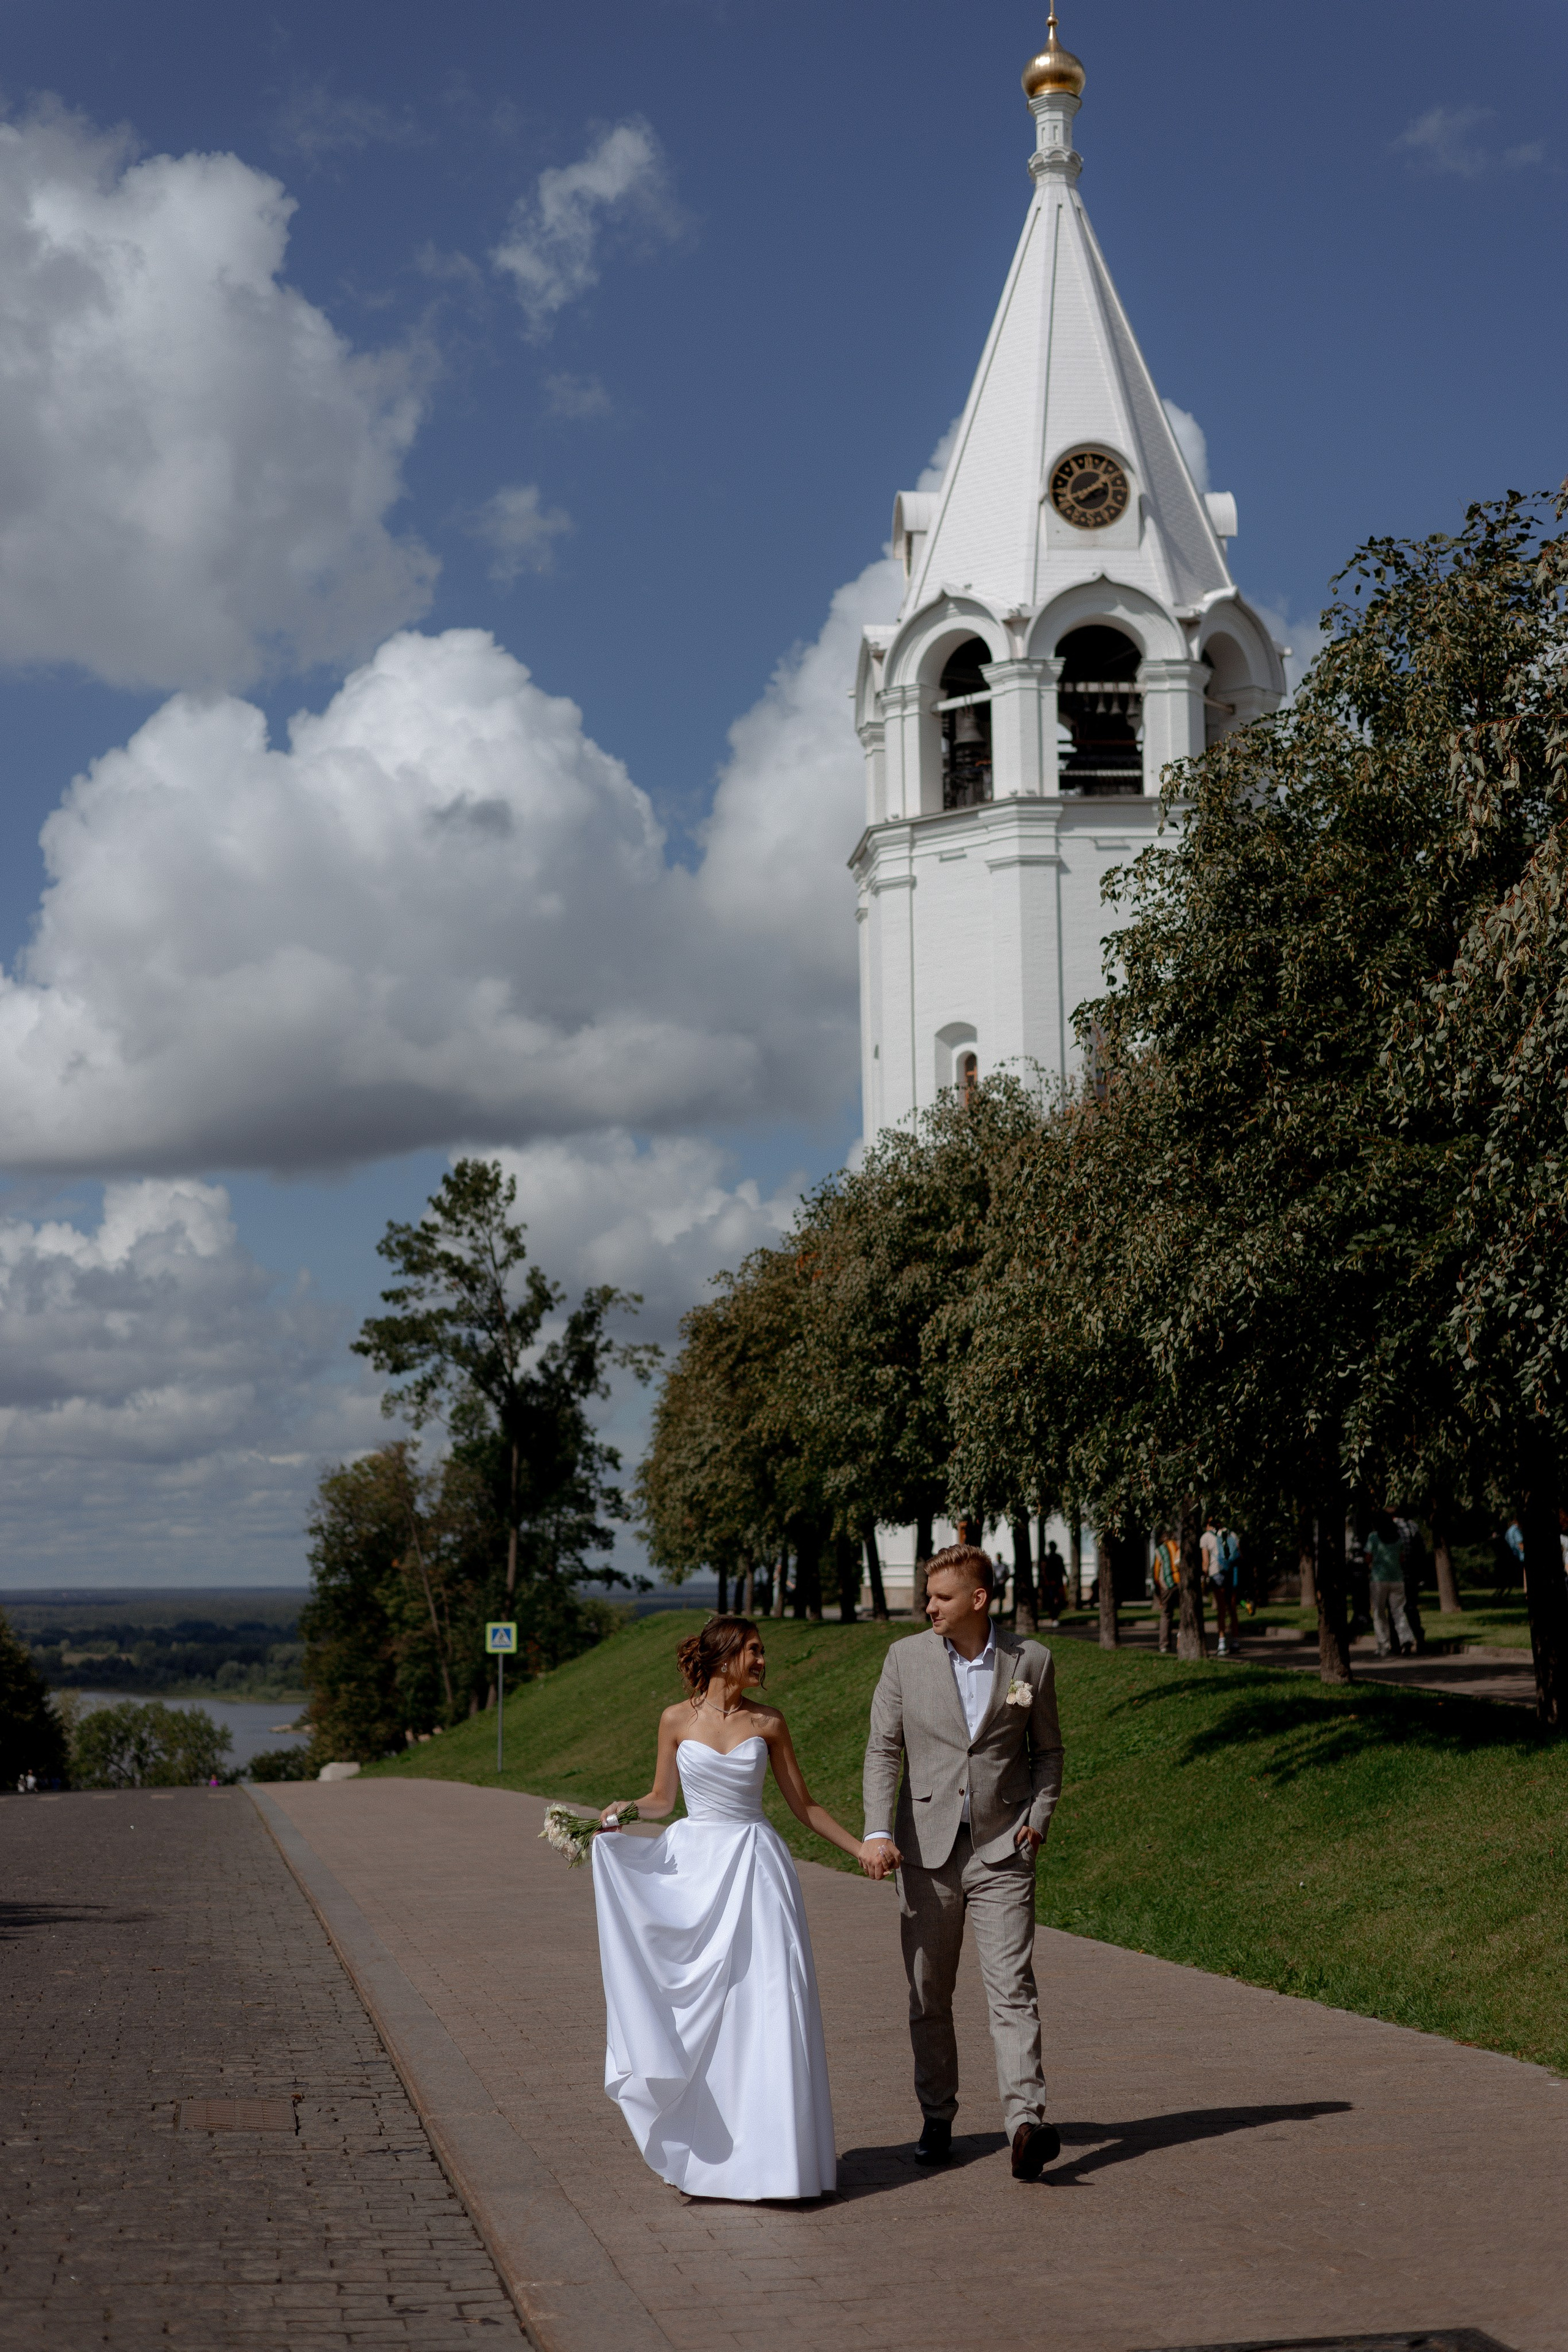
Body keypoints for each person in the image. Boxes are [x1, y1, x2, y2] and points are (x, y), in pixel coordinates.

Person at [591, 1616, 881, 2201]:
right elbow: (663, 1799)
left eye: (761, 1651)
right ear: (724, 1657)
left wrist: (860, 1848)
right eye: (753, 1650)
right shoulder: (676, 1719)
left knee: (770, 2003)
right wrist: (625, 1811)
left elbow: (805, 1805)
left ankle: (779, 2162)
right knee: (707, 2014)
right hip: (696, 1868)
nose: (763, 1660)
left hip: (757, 1871)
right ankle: (708, 2159)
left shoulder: (769, 1724)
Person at [861, 1544, 1065, 2182]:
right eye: (928, 1596)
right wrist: (875, 1830)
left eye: (941, 1598)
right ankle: (937, 2115)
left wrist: (1035, 1822)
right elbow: (882, 1751)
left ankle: (1025, 2125)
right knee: (930, 1993)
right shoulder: (903, 1659)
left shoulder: (1030, 1661)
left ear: (978, 1600)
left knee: (1012, 1990)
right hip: (924, 1853)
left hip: (1003, 1850)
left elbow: (1048, 1753)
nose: (929, 1608)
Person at [1366, 1510, 1416, 1657]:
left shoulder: (1374, 1537)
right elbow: (1401, 1558)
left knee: (1379, 1613)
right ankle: (1406, 1639)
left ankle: (1383, 1645)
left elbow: (1368, 1558)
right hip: (1397, 1579)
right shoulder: (1397, 1537)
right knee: (1399, 1611)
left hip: (1378, 1580)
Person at [1151, 1532, 1180, 1653]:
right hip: (1180, 1583)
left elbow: (1156, 1573)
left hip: (1167, 1584)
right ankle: (1182, 1642)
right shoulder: (1178, 1546)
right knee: (1185, 1613)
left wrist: (1159, 1590)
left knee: (1166, 1615)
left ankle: (1164, 1645)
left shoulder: (1160, 1550)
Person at [1038, 1540, 1067, 1626]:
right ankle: (1053, 1617)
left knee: (1059, 1600)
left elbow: (1062, 1568)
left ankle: (1056, 1616)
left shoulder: (1058, 1557)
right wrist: (1046, 1581)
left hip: (1058, 1582)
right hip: (1050, 1584)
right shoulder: (1047, 1558)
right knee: (1051, 1601)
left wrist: (1065, 1576)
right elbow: (1044, 1571)